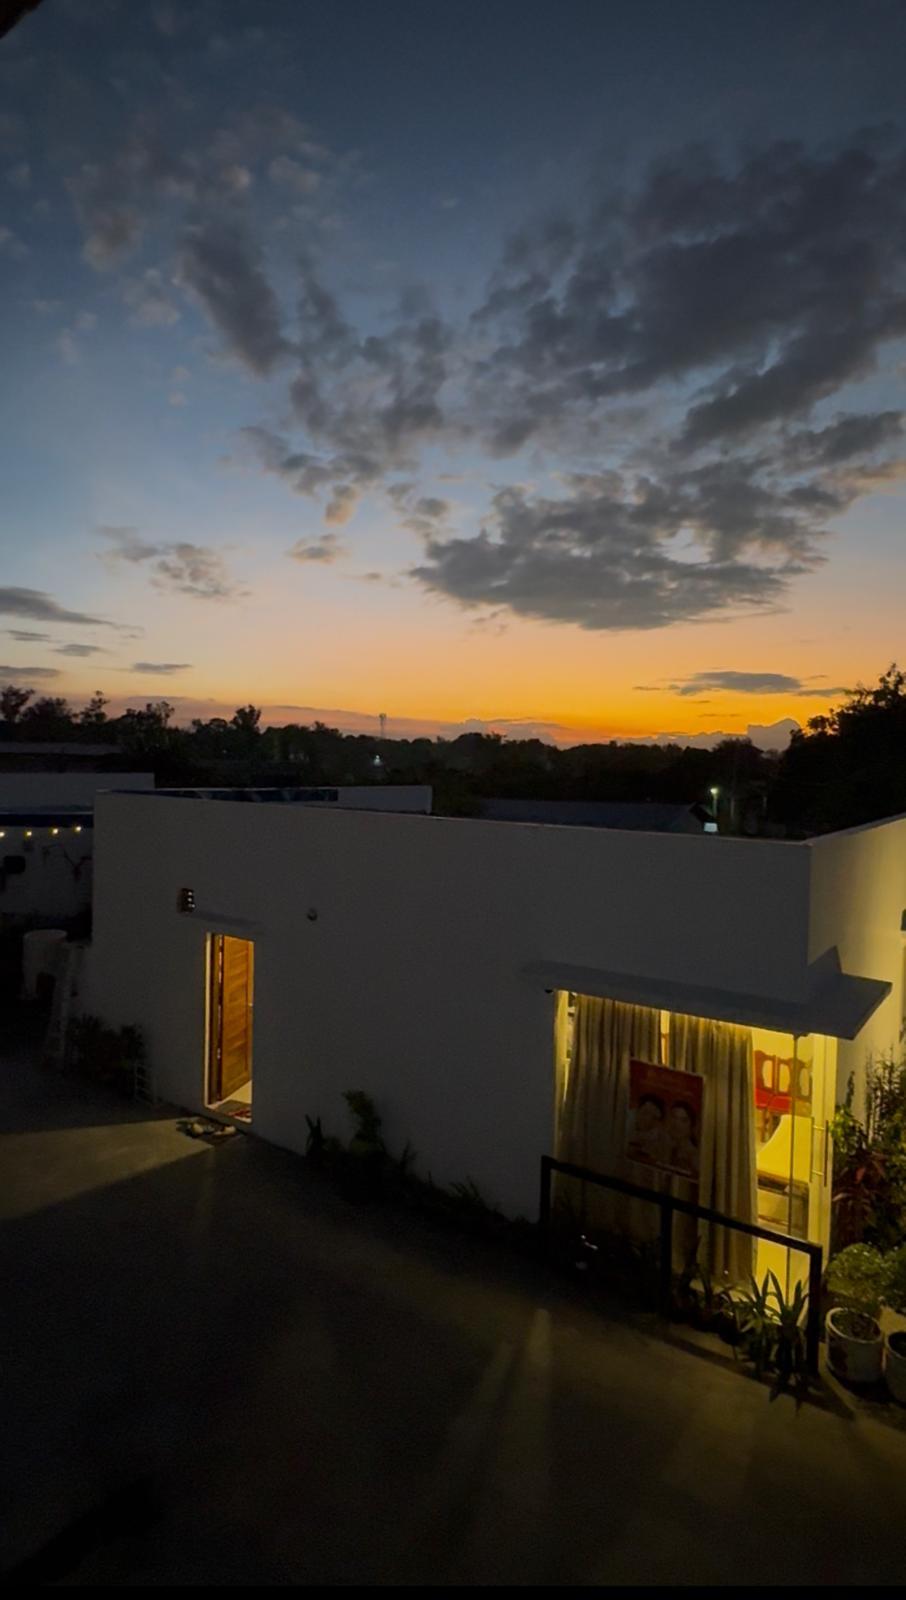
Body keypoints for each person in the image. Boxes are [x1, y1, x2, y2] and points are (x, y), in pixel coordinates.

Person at [627, 1093, 666, 1165]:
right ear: (637, 1110)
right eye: (645, 1113)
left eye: (654, 1117)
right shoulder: (625, 1120)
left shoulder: (657, 1133)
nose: (648, 1119)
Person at [667, 1099, 699, 1178]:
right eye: (674, 1117)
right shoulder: (672, 1149)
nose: (676, 1124)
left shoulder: (693, 1156)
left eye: (683, 1120)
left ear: (691, 1126)